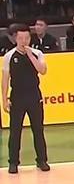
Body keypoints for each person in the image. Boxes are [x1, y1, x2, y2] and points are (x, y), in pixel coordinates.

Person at [2, 24, 48, 174]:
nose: (24, 41)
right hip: (17, 97)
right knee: (15, 131)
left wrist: (30, 55)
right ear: (16, 39)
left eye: (26, 38)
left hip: (34, 96)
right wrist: (4, 99)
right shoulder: (9, 56)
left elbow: (43, 70)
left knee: (38, 129)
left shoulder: (37, 53)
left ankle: (42, 160)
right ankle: (13, 162)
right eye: (20, 38)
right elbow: (5, 79)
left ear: (30, 38)